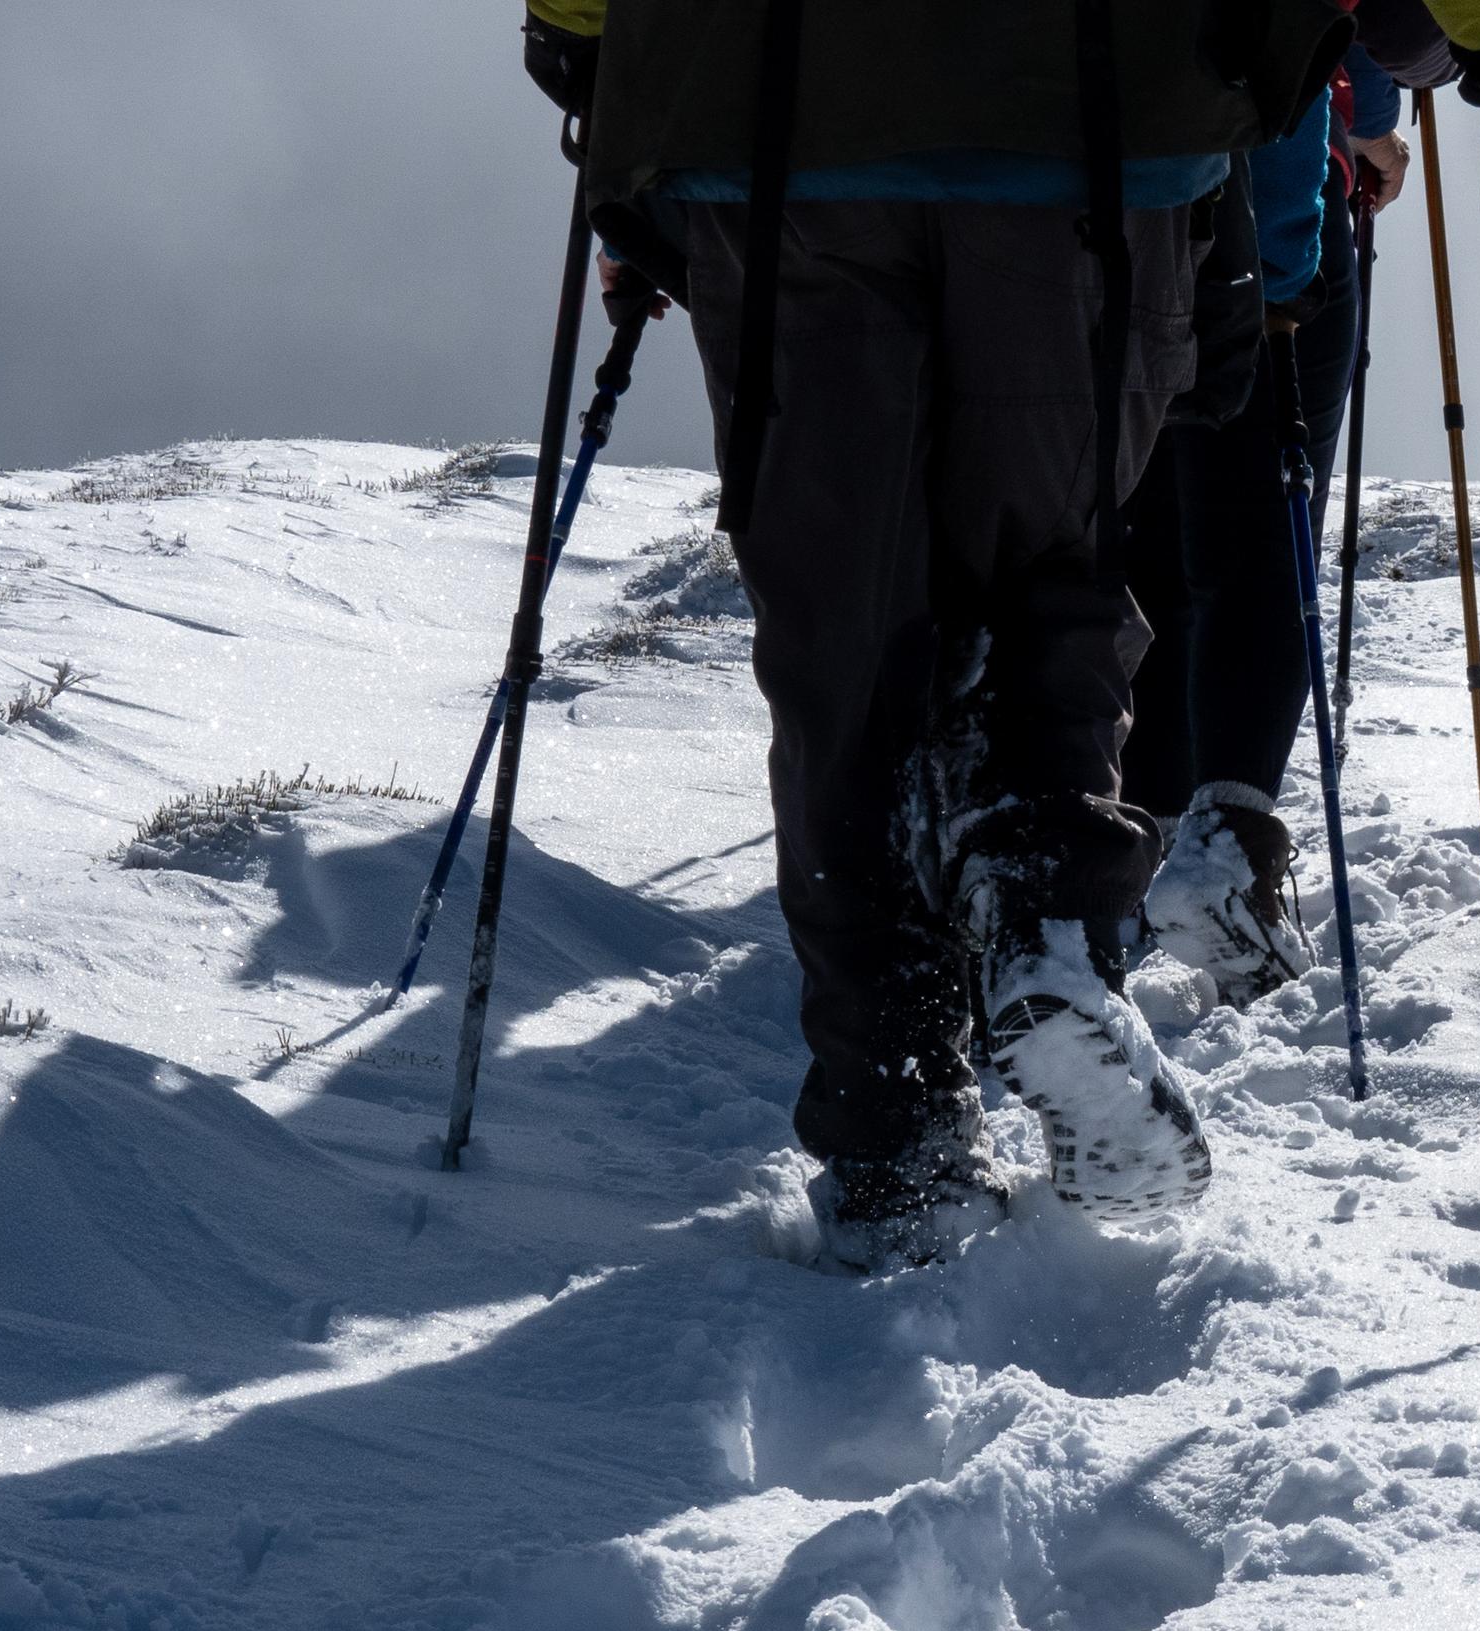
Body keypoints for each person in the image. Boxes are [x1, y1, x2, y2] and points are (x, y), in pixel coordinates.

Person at [512, 0, 1351, 1261]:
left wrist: (593, 62)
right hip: (1097, 125)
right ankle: (1044, 920)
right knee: (1048, 567)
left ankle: (897, 1137)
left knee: (842, 646)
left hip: (774, 126)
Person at [1123, 55, 1409, 1005]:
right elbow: (1347, 29)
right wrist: (1369, 120)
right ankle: (1222, 851)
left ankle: (1135, 842)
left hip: (1109, 187)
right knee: (1256, 547)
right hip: (1271, 205)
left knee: (1148, 534)